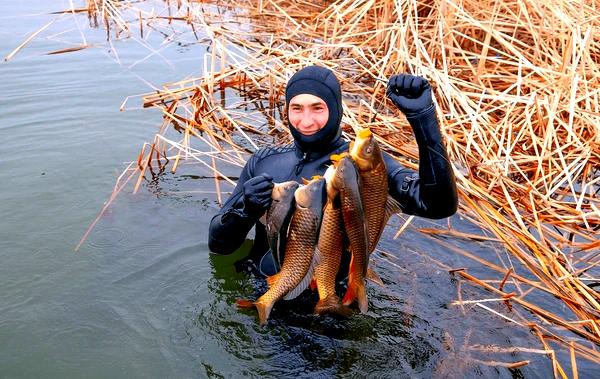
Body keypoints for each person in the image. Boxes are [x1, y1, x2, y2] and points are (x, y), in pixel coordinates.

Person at [208, 65, 457, 277]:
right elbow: (218, 245)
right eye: (297, 108)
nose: (306, 121)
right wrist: (246, 209)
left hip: (325, 307)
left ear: (336, 109)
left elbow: (438, 205)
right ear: (286, 110)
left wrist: (423, 118)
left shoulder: (363, 164)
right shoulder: (264, 161)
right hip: (261, 287)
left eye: (318, 108)